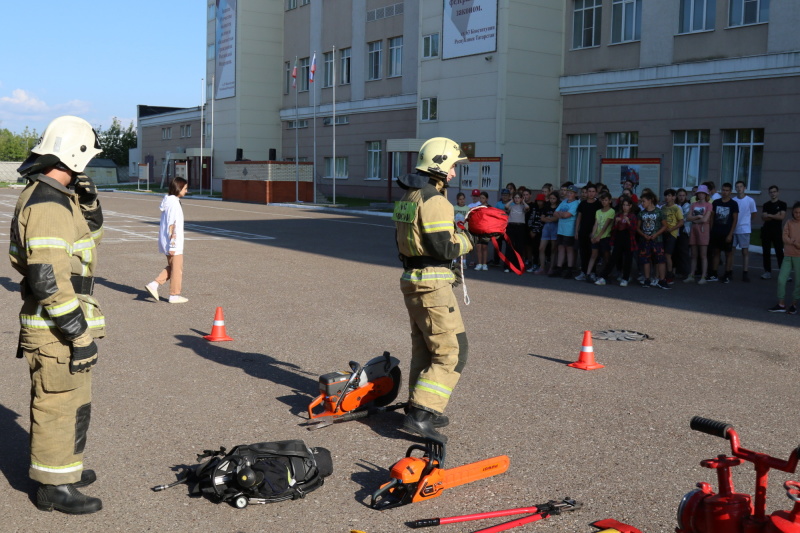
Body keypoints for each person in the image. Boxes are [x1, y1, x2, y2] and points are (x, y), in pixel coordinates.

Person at [9, 116, 105, 514]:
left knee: (72, 403)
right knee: (57, 404)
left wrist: (88, 199)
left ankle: (65, 467)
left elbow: (88, 237)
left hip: (57, 327)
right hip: (55, 331)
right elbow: (49, 280)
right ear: (74, 156)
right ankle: (52, 486)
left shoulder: (57, 196)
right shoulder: (48, 203)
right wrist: (78, 335)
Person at [393, 137, 475, 444]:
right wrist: (473, 238)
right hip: (432, 282)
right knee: (453, 351)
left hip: (411, 277)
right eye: (453, 167)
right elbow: (445, 248)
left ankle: (421, 403)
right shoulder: (436, 201)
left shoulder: (409, 197)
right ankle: (421, 413)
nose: (454, 174)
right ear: (439, 166)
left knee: (425, 348)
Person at [145, 177, 189, 303]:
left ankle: (154, 285)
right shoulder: (174, 203)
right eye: (185, 188)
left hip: (167, 242)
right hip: (173, 243)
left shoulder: (169, 201)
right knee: (177, 269)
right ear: (179, 188)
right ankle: (174, 295)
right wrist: (173, 245)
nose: (186, 191)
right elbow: (173, 225)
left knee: (174, 267)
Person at [597, 196, 638, 286]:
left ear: (630, 206)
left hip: (628, 239)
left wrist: (628, 222)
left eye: (627, 205)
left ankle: (625, 278)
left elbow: (634, 230)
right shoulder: (619, 215)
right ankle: (603, 277)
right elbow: (614, 229)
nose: (625, 207)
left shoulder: (632, 216)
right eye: (623, 205)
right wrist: (616, 223)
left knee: (628, 259)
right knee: (613, 258)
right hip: (619, 239)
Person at [768, 202, 800, 314]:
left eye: (799, 212)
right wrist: (793, 242)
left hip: (798, 257)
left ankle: (794, 304)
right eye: (796, 212)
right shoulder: (789, 222)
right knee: (781, 279)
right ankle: (781, 303)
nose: (797, 214)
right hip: (787, 255)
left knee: (798, 282)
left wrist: (797, 245)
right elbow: (784, 237)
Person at [636, 191, 670, 289]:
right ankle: (647, 279)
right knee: (646, 260)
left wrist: (656, 234)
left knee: (661, 260)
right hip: (645, 240)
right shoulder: (641, 213)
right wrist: (643, 235)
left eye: (644, 201)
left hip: (657, 240)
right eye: (641, 201)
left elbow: (664, 226)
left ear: (650, 201)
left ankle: (662, 280)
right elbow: (638, 227)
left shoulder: (658, 212)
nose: (642, 203)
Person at [709, 183, 739, 283]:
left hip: (727, 233)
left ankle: (727, 274)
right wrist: (711, 230)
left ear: (730, 192)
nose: (725, 192)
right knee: (716, 253)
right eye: (723, 190)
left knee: (728, 254)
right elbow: (712, 217)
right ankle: (714, 273)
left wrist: (730, 234)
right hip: (716, 232)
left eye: (727, 190)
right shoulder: (716, 202)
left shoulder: (733, 204)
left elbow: (735, 220)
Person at [684, 185, 713, 284]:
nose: (701, 194)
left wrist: (695, 219)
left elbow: (706, 219)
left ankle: (704, 276)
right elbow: (688, 217)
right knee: (693, 254)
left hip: (704, 230)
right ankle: (691, 274)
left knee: (703, 255)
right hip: (694, 230)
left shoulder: (709, 205)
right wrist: (699, 217)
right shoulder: (693, 204)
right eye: (699, 193)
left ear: (706, 194)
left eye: (702, 193)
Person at [550, 184, 579, 278]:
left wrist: (561, 214)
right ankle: (559, 267)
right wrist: (562, 214)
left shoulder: (576, 203)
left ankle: (570, 269)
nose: (569, 194)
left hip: (569, 230)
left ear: (575, 194)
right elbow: (555, 213)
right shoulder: (564, 202)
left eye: (571, 193)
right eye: (568, 192)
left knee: (569, 249)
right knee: (561, 248)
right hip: (561, 229)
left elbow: (567, 215)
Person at [585, 192, 615, 282]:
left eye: (606, 200)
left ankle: (606, 273)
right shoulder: (598, 211)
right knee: (593, 254)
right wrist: (593, 235)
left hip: (605, 237)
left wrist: (599, 236)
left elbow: (606, 225)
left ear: (610, 201)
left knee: (606, 255)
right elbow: (596, 224)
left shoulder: (611, 211)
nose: (604, 202)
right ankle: (588, 273)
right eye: (603, 200)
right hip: (597, 236)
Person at [574, 183, 601, 281]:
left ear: (596, 193)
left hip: (593, 232)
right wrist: (576, 230)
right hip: (583, 231)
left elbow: (599, 220)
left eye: (593, 191)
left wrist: (595, 233)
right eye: (589, 191)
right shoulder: (583, 204)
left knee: (592, 253)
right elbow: (579, 218)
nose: (591, 193)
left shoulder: (598, 204)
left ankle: (592, 272)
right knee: (583, 252)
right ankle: (583, 272)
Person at [732, 180, 757, 282]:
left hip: (744, 229)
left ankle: (745, 272)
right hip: (734, 229)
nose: (739, 188)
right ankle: (729, 270)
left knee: (745, 251)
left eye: (741, 186)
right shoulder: (733, 200)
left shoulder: (750, 200)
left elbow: (753, 213)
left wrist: (746, 222)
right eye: (737, 187)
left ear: (744, 188)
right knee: (731, 251)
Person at [760, 185, 787, 279]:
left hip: (777, 232)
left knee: (779, 252)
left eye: (774, 191)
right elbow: (764, 218)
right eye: (771, 192)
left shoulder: (783, 204)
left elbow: (781, 217)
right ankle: (767, 272)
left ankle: (783, 273)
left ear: (778, 192)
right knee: (766, 252)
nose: (773, 194)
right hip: (766, 231)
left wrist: (769, 215)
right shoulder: (766, 205)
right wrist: (775, 215)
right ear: (769, 193)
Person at [661, 189, 684, 284]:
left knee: (668, 254)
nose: (667, 197)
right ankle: (662, 274)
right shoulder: (662, 208)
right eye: (666, 195)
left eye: (669, 195)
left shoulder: (677, 208)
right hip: (663, 232)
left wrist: (672, 228)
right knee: (662, 254)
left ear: (674, 197)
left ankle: (670, 275)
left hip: (672, 233)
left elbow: (681, 222)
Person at [504, 192, 529, 272]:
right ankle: (507, 266)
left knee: (519, 246)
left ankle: (518, 265)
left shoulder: (522, 207)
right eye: (515, 198)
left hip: (520, 227)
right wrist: (511, 200)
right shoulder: (512, 206)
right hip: (511, 226)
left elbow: (527, 207)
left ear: (521, 198)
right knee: (510, 246)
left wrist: (523, 201)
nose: (517, 199)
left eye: (518, 198)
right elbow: (506, 206)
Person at [536, 192, 559, 275]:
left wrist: (548, 218)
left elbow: (556, 219)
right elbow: (542, 218)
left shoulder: (558, 207)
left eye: (554, 198)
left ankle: (551, 268)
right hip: (546, 227)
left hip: (555, 227)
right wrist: (550, 219)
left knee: (553, 249)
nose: (552, 200)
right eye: (551, 198)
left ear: (557, 199)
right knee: (541, 248)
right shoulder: (546, 206)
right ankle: (542, 267)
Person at [473, 191, 490, 270]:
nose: (481, 199)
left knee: (484, 247)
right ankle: (479, 263)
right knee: (478, 246)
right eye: (480, 198)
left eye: (483, 198)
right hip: (478, 230)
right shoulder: (478, 207)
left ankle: (484, 264)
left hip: (486, 230)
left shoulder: (489, 207)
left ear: (487, 199)